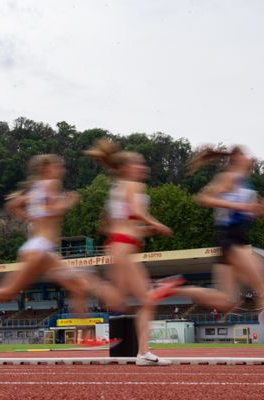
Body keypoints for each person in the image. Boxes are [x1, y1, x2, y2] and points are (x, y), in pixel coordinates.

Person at [0, 154, 123, 343]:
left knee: (76, 287)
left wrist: (31, 217)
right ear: (46, 168)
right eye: (58, 166)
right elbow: (51, 211)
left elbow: (12, 205)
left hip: (42, 249)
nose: (62, 169)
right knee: (9, 291)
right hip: (40, 249)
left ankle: (86, 337)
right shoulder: (50, 184)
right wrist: (66, 203)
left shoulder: (37, 188)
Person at [186, 145, 264, 364]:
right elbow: (204, 199)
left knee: (226, 301)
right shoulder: (230, 178)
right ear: (236, 160)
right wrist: (239, 205)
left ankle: (174, 287)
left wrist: (260, 209)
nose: (251, 157)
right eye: (245, 155)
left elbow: (244, 211)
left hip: (235, 242)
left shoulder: (245, 183)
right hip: (231, 241)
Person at [86, 139, 181, 366]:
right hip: (123, 248)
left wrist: (147, 231)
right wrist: (157, 225)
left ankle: (143, 352)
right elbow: (137, 213)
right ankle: (143, 353)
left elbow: (113, 224)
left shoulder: (117, 188)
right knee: (147, 300)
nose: (143, 168)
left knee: (123, 301)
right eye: (139, 164)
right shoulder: (132, 185)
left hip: (119, 245)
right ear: (128, 168)